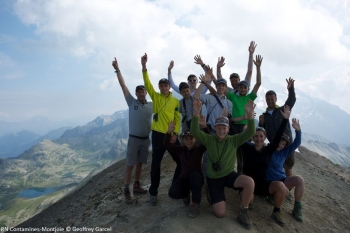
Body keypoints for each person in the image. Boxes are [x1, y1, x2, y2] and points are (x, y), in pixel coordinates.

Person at [191, 99, 256, 230]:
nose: (221, 130)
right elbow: (195, 132)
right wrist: (196, 114)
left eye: (224, 128)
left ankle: (243, 212)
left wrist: (249, 116)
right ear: (215, 128)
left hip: (228, 175)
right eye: (219, 127)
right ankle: (211, 191)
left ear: (228, 129)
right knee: (220, 213)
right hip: (214, 179)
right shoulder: (209, 140)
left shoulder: (234, 140)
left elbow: (250, 133)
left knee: (249, 182)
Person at [141, 53, 182, 206]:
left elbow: (178, 118)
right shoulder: (156, 97)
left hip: (171, 135)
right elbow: (147, 84)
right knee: (155, 165)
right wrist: (144, 67)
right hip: (158, 135)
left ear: (169, 87)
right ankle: (153, 193)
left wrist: (175, 133)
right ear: (159, 87)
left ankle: (176, 186)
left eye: (166, 85)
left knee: (181, 161)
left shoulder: (175, 101)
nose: (164, 87)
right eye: (162, 86)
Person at [241, 105, 291, 226]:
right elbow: (238, 135)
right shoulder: (246, 147)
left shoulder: (269, 149)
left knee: (281, 186)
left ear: (265, 137)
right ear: (252, 137)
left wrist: (285, 119)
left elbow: (278, 136)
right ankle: (245, 208)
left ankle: (276, 211)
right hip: (249, 185)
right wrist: (249, 118)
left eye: (261, 136)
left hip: (264, 185)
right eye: (256, 136)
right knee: (249, 199)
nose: (258, 139)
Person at [112, 57, 153, 204]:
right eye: (139, 92)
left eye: (143, 92)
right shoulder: (132, 102)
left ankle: (136, 185)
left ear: (146, 93)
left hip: (145, 139)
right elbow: (123, 86)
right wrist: (118, 70)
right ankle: (126, 189)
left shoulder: (151, 105)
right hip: (134, 138)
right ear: (136, 94)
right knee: (130, 164)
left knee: (140, 163)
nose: (141, 94)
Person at [164, 121, 207, 218]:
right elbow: (166, 144)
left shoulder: (199, 149)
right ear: (183, 140)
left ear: (195, 139)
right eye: (186, 139)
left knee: (194, 176)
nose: (189, 141)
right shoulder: (180, 150)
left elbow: (208, 140)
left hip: (197, 178)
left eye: (191, 138)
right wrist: (168, 132)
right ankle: (186, 193)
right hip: (184, 178)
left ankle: (195, 203)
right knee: (172, 192)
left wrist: (205, 127)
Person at [266, 118, 304, 222]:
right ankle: (273, 196)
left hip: (282, 179)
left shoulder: (284, 152)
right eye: (279, 142)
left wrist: (298, 130)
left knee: (299, 180)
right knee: (285, 192)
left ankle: (297, 208)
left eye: (283, 144)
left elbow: (297, 142)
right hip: (271, 182)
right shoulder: (268, 150)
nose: (280, 145)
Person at [259, 78, 296, 178]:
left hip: (287, 144)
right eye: (268, 99)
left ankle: (287, 189)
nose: (270, 101)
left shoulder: (283, 110)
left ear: (276, 99)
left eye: (272, 99)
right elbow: (262, 131)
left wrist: (291, 89)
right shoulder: (264, 116)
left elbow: (291, 100)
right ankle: (278, 186)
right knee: (276, 166)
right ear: (266, 100)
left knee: (288, 167)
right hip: (274, 145)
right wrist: (261, 124)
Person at [225, 54, 262, 134]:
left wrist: (258, 68)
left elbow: (258, 83)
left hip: (245, 126)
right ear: (238, 88)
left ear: (248, 89)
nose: (242, 89)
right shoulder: (232, 96)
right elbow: (221, 88)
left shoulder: (250, 97)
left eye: (245, 88)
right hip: (233, 125)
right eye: (241, 87)